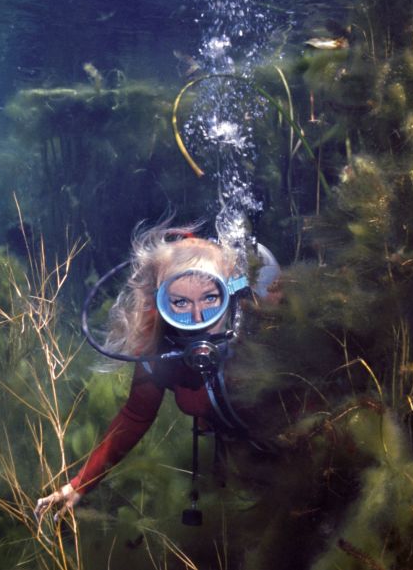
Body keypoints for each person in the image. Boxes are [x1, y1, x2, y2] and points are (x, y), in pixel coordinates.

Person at [34, 223, 279, 522]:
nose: (198, 317)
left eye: (210, 298)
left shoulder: (262, 329)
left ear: (232, 291)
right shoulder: (157, 349)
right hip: (244, 458)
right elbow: (136, 416)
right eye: (179, 302)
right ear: (159, 301)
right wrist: (79, 485)